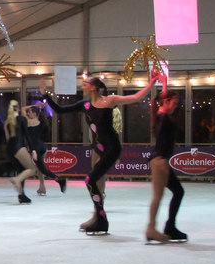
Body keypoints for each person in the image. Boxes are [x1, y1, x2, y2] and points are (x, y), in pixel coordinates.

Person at [42, 72, 159, 235]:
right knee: (94, 180)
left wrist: (151, 83)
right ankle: (98, 217)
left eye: (85, 84)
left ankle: (101, 219)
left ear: (93, 87)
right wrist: (45, 95)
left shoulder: (109, 101)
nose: (82, 86)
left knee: (91, 179)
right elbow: (60, 110)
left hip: (111, 147)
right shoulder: (85, 105)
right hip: (98, 146)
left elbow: (136, 97)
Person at [146, 76, 186, 243]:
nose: (176, 106)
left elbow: (163, 97)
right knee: (158, 196)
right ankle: (151, 228)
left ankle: (170, 227)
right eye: (174, 103)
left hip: (161, 160)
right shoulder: (163, 118)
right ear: (166, 102)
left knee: (178, 191)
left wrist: (163, 81)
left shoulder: (162, 113)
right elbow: (162, 139)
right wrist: (163, 159)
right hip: (160, 161)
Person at [24, 102, 66, 195]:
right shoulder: (41, 121)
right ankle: (42, 187)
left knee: (43, 169)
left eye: (30, 111)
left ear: (34, 113)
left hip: (36, 148)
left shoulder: (29, 122)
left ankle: (59, 180)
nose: (28, 113)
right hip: (42, 146)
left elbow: (22, 109)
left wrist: (37, 105)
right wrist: (37, 107)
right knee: (40, 168)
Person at [4, 100, 37, 203]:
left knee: (21, 170)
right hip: (19, 147)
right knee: (32, 168)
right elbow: (27, 135)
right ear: (18, 108)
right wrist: (33, 150)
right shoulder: (22, 119)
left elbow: (7, 138)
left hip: (9, 149)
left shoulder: (7, 122)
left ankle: (22, 195)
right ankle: (16, 180)